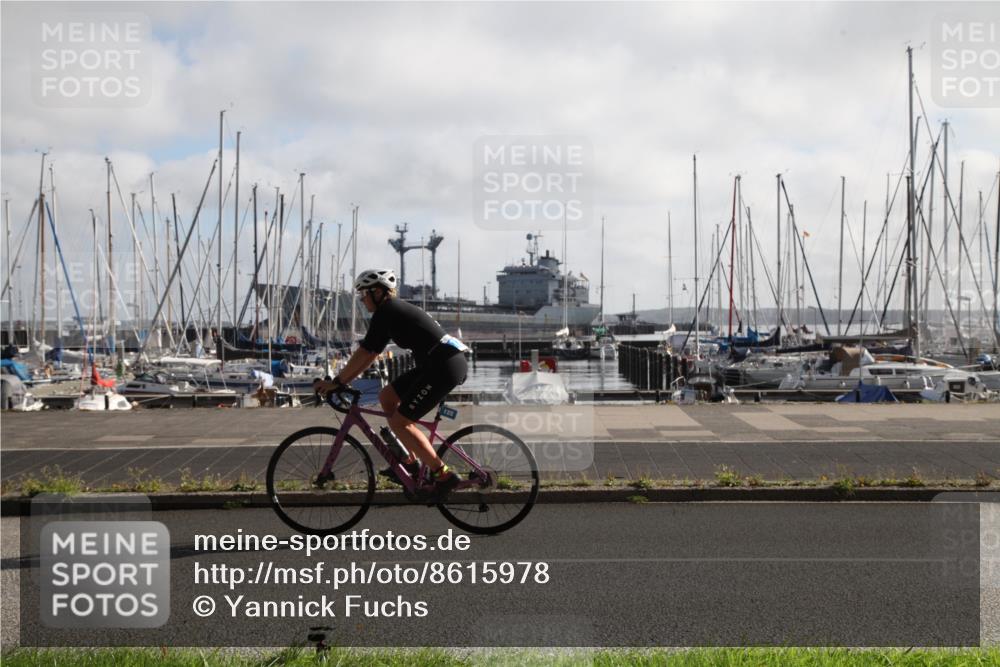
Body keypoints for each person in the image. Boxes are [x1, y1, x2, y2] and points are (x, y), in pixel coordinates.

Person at [313, 268, 468, 500]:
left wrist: (337, 382)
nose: (362, 299)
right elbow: (370, 354)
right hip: (434, 365)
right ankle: (410, 462)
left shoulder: (387, 311)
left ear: (377, 292)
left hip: (443, 367)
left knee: (400, 422)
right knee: (387, 397)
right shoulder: (389, 312)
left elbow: (365, 352)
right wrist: (342, 381)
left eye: (364, 294)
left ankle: (443, 475)